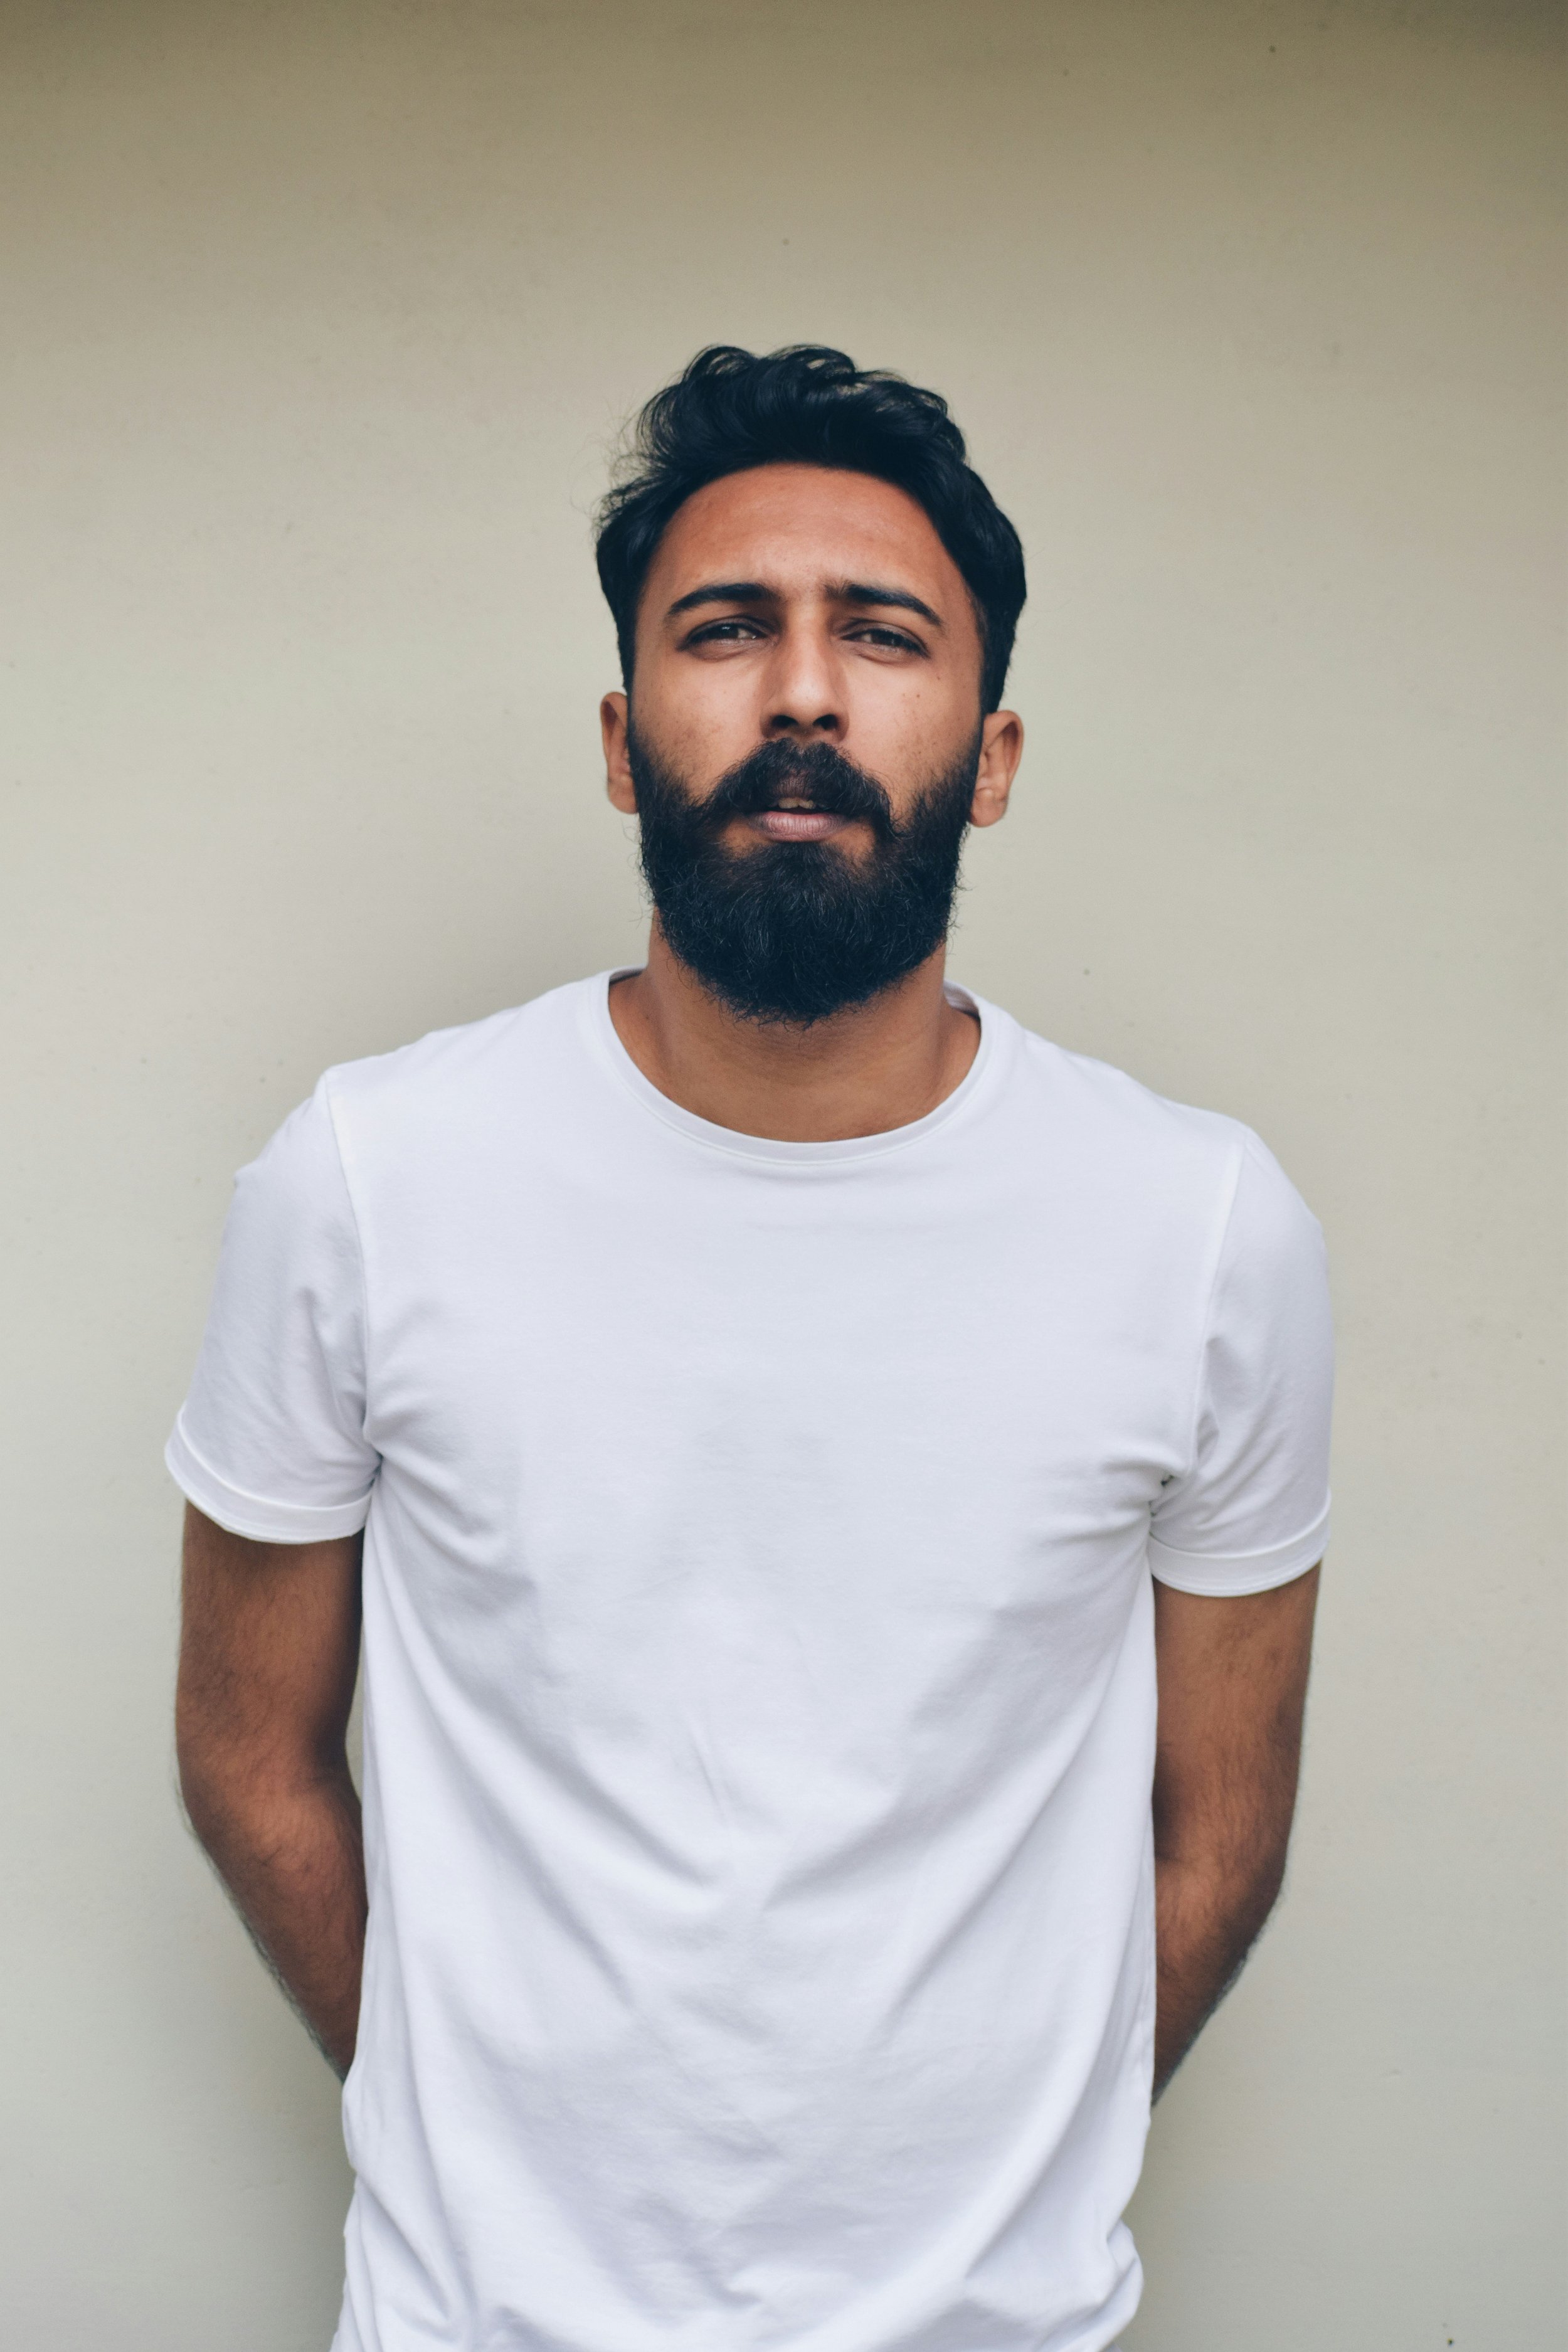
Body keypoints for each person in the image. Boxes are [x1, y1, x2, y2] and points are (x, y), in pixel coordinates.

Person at [171, 344, 1333, 2352]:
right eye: (728, 632)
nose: (802, 692)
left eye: (883, 637)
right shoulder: (367, 1176)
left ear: (991, 749)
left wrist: (1007, 2176)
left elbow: (1218, 1829)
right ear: (626, 740)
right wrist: (462, 2126)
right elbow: (244, 1749)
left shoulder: (1203, 1228)